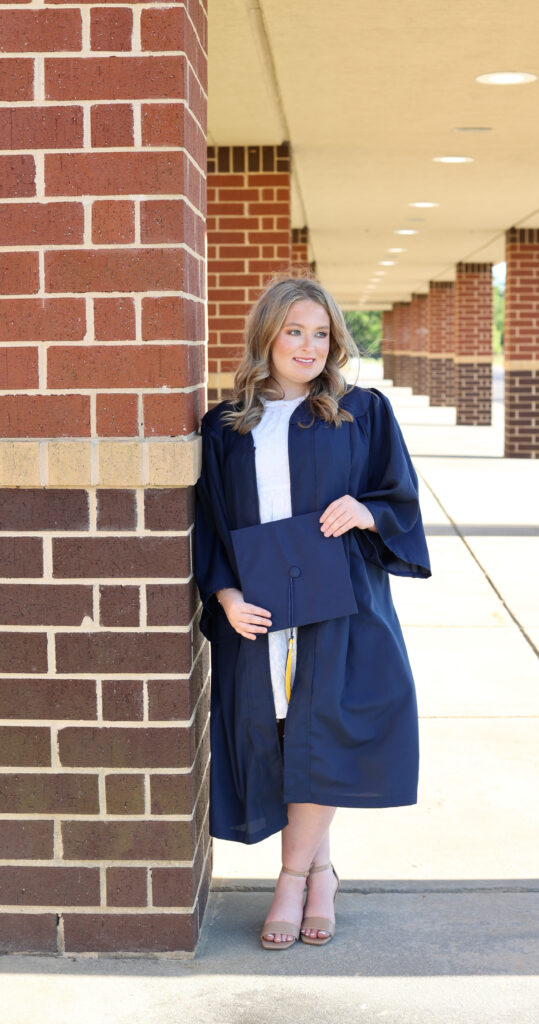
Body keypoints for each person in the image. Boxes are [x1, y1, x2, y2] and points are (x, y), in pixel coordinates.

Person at [194, 274, 431, 950]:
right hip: (260, 609)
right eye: (293, 331)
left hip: (340, 605)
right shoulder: (224, 426)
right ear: (265, 336)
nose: (307, 346)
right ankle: (322, 870)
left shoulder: (361, 411)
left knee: (320, 731)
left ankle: (292, 880)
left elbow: (399, 497)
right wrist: (225, 595)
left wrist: (367, 510)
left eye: (320, 333)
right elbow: (207, 525)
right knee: (278, 736)